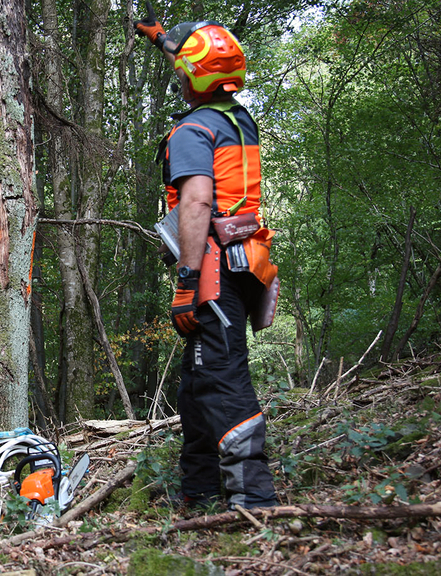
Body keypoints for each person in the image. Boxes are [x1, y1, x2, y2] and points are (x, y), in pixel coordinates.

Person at [134, 14, 280, 510]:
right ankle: (198, 490)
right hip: (246, 262)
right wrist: (164, 41)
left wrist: (186, 280)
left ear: (194, 78)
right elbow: (196, 70)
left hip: (212, 269)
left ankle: (254, 499)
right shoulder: (236, 118)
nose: (179, 75)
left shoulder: (192, 130)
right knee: (197, 385)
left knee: (223, 379)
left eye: (183, 69)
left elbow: (196, 204)